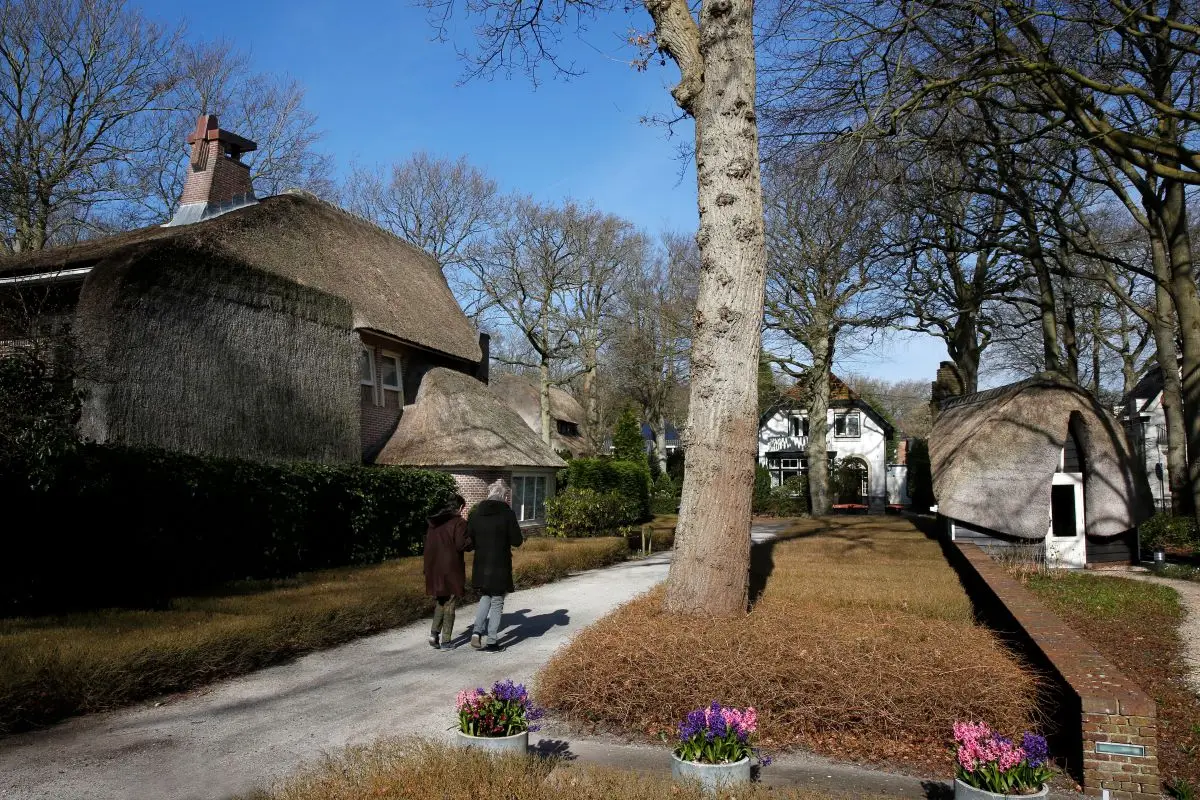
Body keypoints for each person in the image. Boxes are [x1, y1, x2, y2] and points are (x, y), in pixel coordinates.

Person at [467, 480, 523, 652]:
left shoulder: (475, 514)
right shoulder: (508, 514)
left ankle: (476, 632)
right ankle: (492, 641)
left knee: (485, 596)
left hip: (481, 563)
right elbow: (517, 541)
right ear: (504, 496)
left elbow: (470, 542)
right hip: (500, 563)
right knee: (497, 600)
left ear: (488, 494)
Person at [423, 493, 470, 651]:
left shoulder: (434, 523)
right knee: (450, 602)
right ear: (461, 507)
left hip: (434, 567)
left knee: (441, 600)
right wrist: (471, 540)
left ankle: (433, 634)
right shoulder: (459, 523)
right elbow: (461, 545)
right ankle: (447, 640)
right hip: (451, 568)